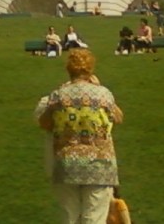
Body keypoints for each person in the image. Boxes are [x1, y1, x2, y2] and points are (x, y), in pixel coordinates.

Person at [38, 49, 123, 224]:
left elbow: (44, 123)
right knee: (94, 218)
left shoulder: (59, 95)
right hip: (100, 164)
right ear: (90, 70)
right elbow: (119, 117)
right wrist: (98, 87)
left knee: (70, 217)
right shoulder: (103, 94)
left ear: (69, 70)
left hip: (67, 164)